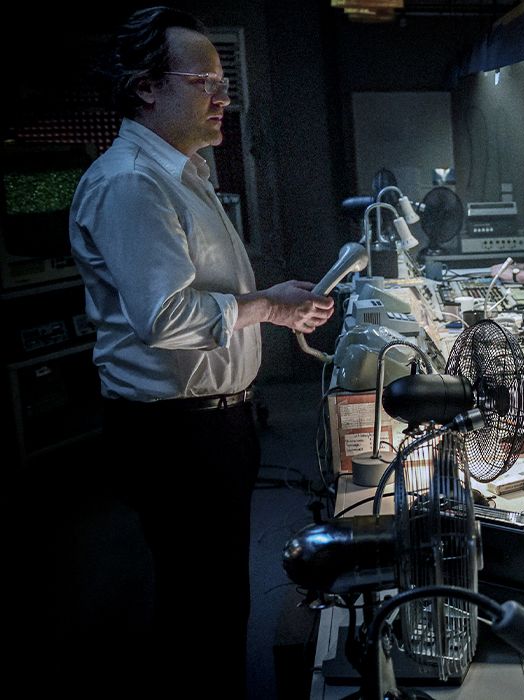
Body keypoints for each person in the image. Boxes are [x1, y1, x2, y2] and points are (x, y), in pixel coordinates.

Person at [66, 6, 335, 690]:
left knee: (218, 596)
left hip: (214, 423)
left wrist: (271, 300)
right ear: (146, 87)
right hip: (176, 435)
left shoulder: (184, 170)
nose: (224, 97)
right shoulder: (133, 181)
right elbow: (164, 317)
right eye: (205, 81)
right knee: (199, 605)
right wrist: (270, 306)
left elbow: (206, 295)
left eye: (224, 82)